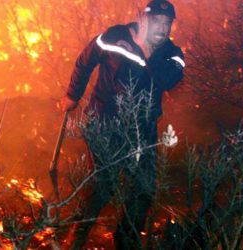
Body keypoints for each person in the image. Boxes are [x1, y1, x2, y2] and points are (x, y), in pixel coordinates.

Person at [61, 0, 185, 249]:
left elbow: (167, 80)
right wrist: (72, 96)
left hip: (143, 129)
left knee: (144, 188)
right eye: (156, 22)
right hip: (104, 121)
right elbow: (85, 61)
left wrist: (144, 49)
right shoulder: (113, 36)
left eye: (167, 23)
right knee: (103, 183)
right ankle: (77, 237)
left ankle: (125, 238)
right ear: (143, 19)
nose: (162, 29)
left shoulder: (173, 55)